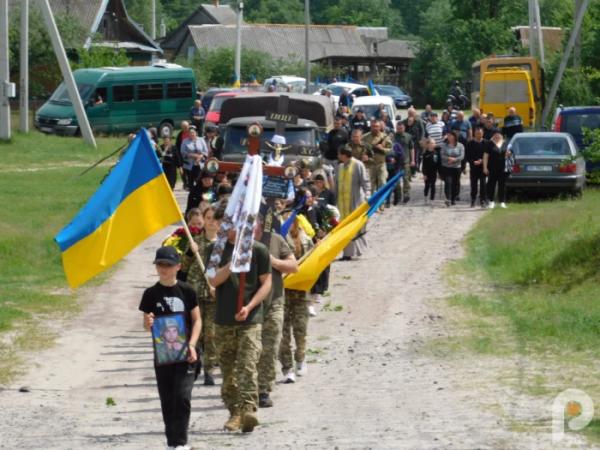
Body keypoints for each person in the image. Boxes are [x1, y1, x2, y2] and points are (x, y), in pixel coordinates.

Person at [208, 209, 272, 433]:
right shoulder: (216, 249)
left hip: (250, 318)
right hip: (224, 320)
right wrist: (233, 261)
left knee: (248, 364)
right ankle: (234, 412)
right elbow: (214, 280)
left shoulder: (259, 250)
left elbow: (266, 283)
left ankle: (248, 410)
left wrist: (250, 306)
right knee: (229, 372)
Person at [139, 246, 201, 450]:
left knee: (182, 396)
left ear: (178, 267)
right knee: (167, 399)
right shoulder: (150, 294)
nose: (163, 269)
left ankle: (181, 442)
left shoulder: (187, 290)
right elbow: (146, 324)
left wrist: (192, 344)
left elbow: (197, 320)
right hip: (163, 355)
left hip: (186, 353)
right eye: (160, 264)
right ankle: (172, 443)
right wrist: (148, 322)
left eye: (168, 265)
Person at [256, 217, 298, 408]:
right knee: (252, 349)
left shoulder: (275, 239)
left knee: (270, 346)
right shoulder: (239, 241)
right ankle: (249, 388)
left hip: (274, 302)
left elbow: (293, 266)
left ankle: (263, 390)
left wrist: (272, 261)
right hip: (248, 305)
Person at [182, 205, 220, 385]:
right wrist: (190, 252)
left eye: (215, 218)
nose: (211, 222)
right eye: (208, 218)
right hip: (195, 294)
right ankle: (194, 364)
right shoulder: (194, 242)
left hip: (215, 295)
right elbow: (182, 267)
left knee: (211, 334)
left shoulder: (224, 244)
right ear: (203, 220)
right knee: (195, 333)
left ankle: (209, 369)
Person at [280, 218, 314, 383]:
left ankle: (300, 358)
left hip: (300, 293)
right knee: (283, 334)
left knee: (301, 330)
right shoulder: (278, 238)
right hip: (282, 293)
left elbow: (313, 261)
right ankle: (287, 368)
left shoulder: (305, 238)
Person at [336, 147, 371, 260]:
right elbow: (337, 185)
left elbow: (365, 182)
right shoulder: (340, 167)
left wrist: (368, 196)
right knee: (344, 228)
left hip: (355, 203)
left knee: (355, 228)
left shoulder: (358, 165)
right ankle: (347, 254)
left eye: (339, 154)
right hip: (342, 205)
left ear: (344, 155)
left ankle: (356, 251)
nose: (338, 156)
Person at [362, 120, 392, 195]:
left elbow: (391, 151)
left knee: (382, 183)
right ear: (370, 127)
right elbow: (361, 149)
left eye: (377, 126)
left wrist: (382, 149)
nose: (375, 128)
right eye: (373, 126)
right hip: (370, 165)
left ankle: (382, 201)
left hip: (381, 164)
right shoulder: (365, 137)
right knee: (371, 186)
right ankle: (372, 201)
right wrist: (364, 156)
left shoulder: (385, 137)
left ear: (380, 127)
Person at [484, 130, 511, 209]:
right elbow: (485, 156)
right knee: (491, 185)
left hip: (503, 168)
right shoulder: (489, 144)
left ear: (501, 135)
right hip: (492, 168)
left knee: (502, 185)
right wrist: (485, 167)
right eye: (495, 134)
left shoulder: (506, 143)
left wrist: (508, 154)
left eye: (498, 134)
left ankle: (502, 202)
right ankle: (491, 201)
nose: (497, 136)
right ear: (493, 135)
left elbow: (508, 154)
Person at [440, 131, 464, 207]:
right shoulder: (444, 145)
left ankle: (453, 198)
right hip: (446, 168)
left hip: (456, 168)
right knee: (448, 182)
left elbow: (462, 156)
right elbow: (442, 155)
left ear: (454, 137)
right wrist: (448, 158)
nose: (449, 137)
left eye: (450, 135)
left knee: (455, 184)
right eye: (448, 136)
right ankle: (448, 199)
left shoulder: (460, 146)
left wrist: (455, 159)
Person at [465, 126, 487, 207]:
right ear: (474, 134)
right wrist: (473, 161)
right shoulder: (470, 143)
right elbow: (467, 156)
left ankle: (482, 200)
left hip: (483, 167)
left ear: (483, 133)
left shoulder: (486, 143)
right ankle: (473, 200)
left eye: (480, 133)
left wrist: (482, 160)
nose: (479, 135)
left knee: (483, 184)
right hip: (473, 167)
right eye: (477, 133)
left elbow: (489, 155)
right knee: (473, 185)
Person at [393, 121, 414, 203]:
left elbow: (411, 149)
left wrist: (413, 160)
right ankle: (398, 195)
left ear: (404, 128)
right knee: (396, 180)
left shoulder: (408, 136)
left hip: (405, 161)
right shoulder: (393, 136)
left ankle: (406, 194)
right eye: (398, 128)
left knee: (406, 178)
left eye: (401, 128)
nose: (399, 130)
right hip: (396, 162)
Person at [421, 137, 439, 204]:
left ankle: (432, 199)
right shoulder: (425, 154)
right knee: (427, 185)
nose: (433, 144)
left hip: (434, 172)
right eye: (431, 143)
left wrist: (440, 172)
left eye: (434, 143)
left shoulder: (436, 153)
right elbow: (423, 165)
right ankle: (425, 197)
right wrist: (424, 174)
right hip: (427, 172)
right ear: (428, 144)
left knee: (433, 185)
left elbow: (438, 164)